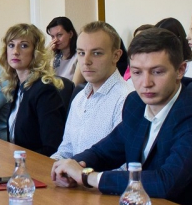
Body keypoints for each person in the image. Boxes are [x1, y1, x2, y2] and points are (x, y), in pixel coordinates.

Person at [50, 28, 192, 205]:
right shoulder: (136, 102)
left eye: (157, 72)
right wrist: (74, 165)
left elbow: (166, 182)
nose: (146, 83)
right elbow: (106, 151)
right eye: (137, 72)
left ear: (180, 70)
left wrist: (87, 177)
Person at [52, 22, 132, 160]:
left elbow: (123, 164)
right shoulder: (79, 98)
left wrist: (76, 169)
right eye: (81, 53)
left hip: (96, 174)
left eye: (96, 53)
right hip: (73, 172)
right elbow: (66, 150)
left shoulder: (126, 99)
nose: (86, 61)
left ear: (116, 56)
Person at [0, 23, 65, 156]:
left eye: (24, 46)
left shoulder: (45, 91)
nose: (15, 51)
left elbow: (52, 148)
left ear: (35, 52)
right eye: (11, 45)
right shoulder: (17, 86)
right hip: (18, 162)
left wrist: (18, 161)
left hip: (36, 165)